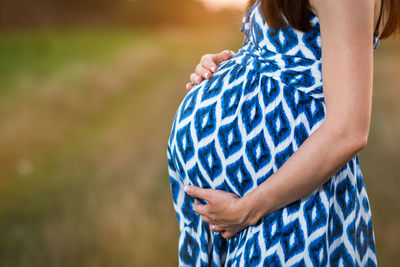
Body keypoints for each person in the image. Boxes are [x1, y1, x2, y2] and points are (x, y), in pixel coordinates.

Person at [167, 0, 399, 265]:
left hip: (286, 207)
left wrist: (249, 209)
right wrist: (232, 65)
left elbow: (349, 130)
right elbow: (292, 55)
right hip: (256, 207)